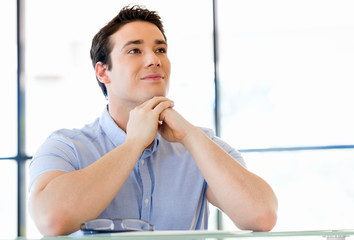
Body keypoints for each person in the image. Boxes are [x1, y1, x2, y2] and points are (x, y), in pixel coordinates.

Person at [28, 5, 278, 236]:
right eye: (135, 50)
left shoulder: (201, 144)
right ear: (103, 72)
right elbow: (51, 219)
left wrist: (190, 137)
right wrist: (133, 145)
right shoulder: (65, 146)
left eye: (160, 50)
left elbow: (262, 216)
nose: (154, 60)